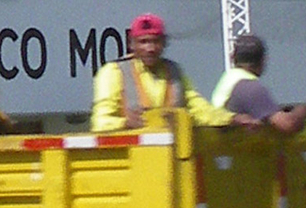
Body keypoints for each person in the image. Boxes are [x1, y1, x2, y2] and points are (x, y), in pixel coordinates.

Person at [91, 13, 258, 132]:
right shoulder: (113, 72)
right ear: (131, 45)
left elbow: (199, 109)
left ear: (164, 43)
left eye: (155, 41)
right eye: (143, 42)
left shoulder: (174, 71)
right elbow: (99, 123)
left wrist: (230, 118)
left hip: (173, 162)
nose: (150, 48)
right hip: (132, 164)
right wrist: (125, 123)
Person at [211, 34, 306, 134]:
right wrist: (303, 109)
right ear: (262, 60)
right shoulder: (250, 88)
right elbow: (289, 125)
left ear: (233, 58)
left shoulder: (228, 80)